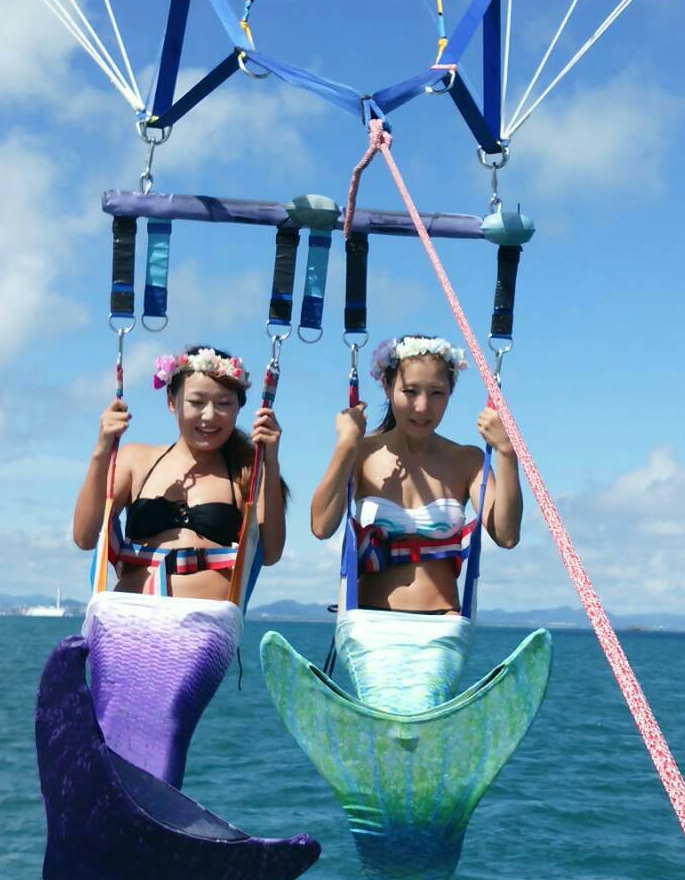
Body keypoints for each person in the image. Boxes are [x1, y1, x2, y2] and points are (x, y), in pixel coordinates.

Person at [71, 345, 285, 786]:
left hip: (200, 629)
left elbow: (275, 547)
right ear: (172, 402)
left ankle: (157, 825)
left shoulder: (247, 469)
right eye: (197, 402)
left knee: (166, 729)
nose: (210, 415)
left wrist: (271, 459)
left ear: (240, 407)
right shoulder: (135, 458)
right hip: (126, 621)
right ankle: (106, 824)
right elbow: (84, 535)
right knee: (111, 731)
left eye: (224, 404)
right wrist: (100, 450)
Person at [309, 334, 522, 713]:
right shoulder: (362, 452)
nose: (423, 406)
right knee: (393, 726)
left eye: (437, 393)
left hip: (441, 629)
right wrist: (345, 445)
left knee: (415, 720)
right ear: (388, 386)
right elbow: (322, 525)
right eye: (410, 391)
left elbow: (506, 535)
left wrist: (507, 453)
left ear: (451, 392)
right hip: (370, 629)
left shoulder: (467, 460)